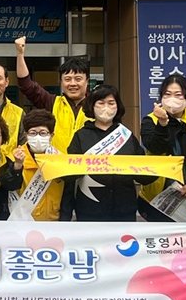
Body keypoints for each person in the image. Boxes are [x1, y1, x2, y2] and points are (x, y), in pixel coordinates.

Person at [59, 84, 155, 222]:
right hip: (89, 210)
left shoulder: (126, 136)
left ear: (118, 106)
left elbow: (143, 175)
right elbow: (70, 176)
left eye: (111, 103)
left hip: (124, 211)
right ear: (92, 105)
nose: (106, 107)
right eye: (101, 103)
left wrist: (162, 167)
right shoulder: (80, 136)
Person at [139, 71, 186, 219]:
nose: (172, 99)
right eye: (167, 94)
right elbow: (155, 147)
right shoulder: (150, 120)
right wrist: (162, 124)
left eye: (178, 95)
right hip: (158, 193)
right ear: (161, 97)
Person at [15, 36, 90, 152]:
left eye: (78, 79)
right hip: (55, 162)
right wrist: (20, 54)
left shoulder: (96, 106)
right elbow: (26, 85)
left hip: (88, 163)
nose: (73, 83)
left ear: (87, 81)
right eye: (67, 79)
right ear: (61, 82)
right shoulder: (52, 102)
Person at [8, 109, 64, 221]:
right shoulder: (13, 157)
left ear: (51, 135)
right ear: (26, 135)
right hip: (23, 221)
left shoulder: (60, 159)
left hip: (54, 222)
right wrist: (17, 166)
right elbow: (9, 186)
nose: (38, 137)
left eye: (43, 133)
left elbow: (68, 194)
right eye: (33, 133)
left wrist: (64, 219)